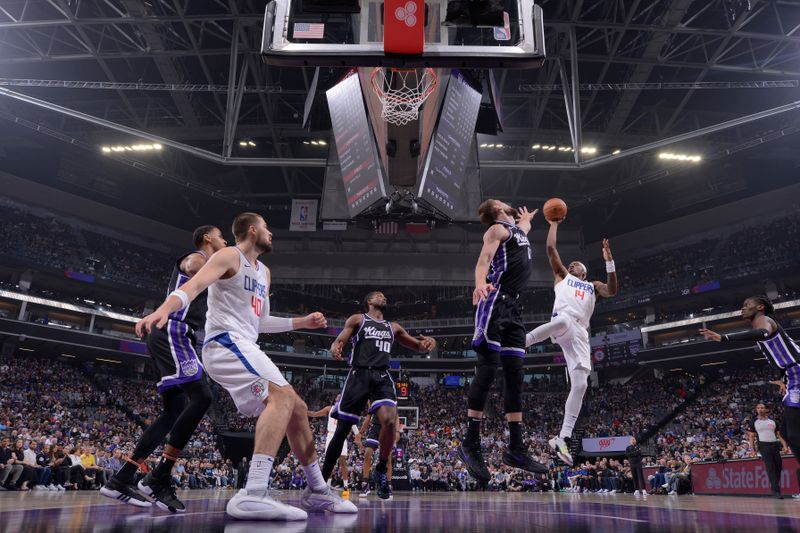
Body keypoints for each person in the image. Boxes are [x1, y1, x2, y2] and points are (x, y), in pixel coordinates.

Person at [137, 212, 356, 521]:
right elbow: (194, 286)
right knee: (280, 398)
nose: (272, 234)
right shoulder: (229, 255)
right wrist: (161, 310)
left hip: (246, 344)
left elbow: (261, 321)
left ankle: (317, 491)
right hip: (224, 342)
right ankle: (253, 492)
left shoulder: (264, 272)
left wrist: (302, 322)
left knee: (296, 405)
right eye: (267, 228)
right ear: (252, 231)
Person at [101, 225, 226, 512]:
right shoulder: (197, 258)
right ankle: (159, 477)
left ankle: (122, 478)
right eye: (221, 236)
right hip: (174, 331)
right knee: (203, 396)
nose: (225, 241)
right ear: (208, 239)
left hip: (174, 334)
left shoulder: (207, 267)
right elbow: (194, 266)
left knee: (173, 411)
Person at [461, 199, 547, 483]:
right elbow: (483, 260)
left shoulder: (517, 230)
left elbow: (524, 226)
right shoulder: (496, 230)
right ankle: (470, 443)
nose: (507, 202)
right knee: (488, 368)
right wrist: (479, 283)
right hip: (494, 299)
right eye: (502, 202)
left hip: (515, 307)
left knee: (515, 375)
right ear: (497, 209)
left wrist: (530, 219)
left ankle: (516, 449)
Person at [524, 218, 618, 465]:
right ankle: (523, 341)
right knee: (564, 321)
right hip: (564, 321)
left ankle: (562, 437)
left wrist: (610, 262)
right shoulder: (562, 276)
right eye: (572, 263)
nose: (573, 264)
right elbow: (551, 250)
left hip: (581, 334)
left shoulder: (592, 286)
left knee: (581, 385)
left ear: (584, 272)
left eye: (577, 264)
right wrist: (553, 223)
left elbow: (613, 290)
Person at [326, 291, 435, 500]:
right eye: (378, 295)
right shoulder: (359, 319)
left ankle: (381, 469)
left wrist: (430, 343)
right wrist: (335, 347)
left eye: (385, 296)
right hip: (359, 373)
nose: (383, 297)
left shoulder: (392, 327)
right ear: (369, 302)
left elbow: (418, 346)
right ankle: (322, 483)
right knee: (342, 431)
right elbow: (339, 339)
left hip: (382, 375)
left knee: (391, 421)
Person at [700, 295, 800, 498]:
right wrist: (783, 380)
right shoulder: (765, 326)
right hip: (792, 376)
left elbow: (762, 333)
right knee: (789, 431)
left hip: (797, 372)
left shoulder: (764, 321)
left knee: (794, 433)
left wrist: (724, 338)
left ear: (760, 307)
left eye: (747, 305)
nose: (742, 308)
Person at [307, 396, 360, 489]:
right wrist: (305, 412)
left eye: (341, 396)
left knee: (343, 462)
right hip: (331, 435)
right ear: (335, 399)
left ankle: (346, 486)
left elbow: (353, 424)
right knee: (329, 461)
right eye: (337, 396)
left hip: (341, 435)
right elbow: (316, 414)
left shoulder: (346, 410)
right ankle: (327, 485)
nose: (339, 397)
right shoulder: (329, 408)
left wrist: (357, 434)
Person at [747, 403, 788, 498]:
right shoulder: (754, 422)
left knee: (778, 466)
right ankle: (776, 491)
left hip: (774, 444)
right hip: (763, 445)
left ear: (766, 409)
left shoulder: (773, 421)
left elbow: (779, 434)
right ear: (756, 410)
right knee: (770, 468)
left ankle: (774, 485)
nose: (760, 409)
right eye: (758, 408)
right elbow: (751, 437)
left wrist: (785, 445)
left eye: (762, 407)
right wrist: (752, 450)